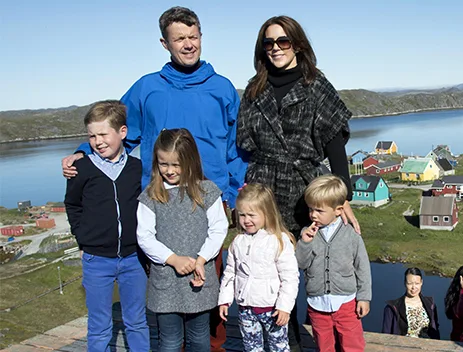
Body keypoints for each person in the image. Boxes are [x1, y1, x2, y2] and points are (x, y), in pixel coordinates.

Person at [61, 7, 243, 350]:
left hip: (209, 202)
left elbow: (235, 148)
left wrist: (233, 195)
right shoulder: (147, 89)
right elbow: (116, 132)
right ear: (165, 43)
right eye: (179, 39)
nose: (188, 45)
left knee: (207, 297)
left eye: (193, 37)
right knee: (165, 297)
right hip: (160, 204)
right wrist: (83, 150)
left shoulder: (223, 88)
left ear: (201, 37)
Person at [236, 15, 359, 350]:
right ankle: (284, 343)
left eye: (283, 41)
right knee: (270, 271)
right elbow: (244, 145)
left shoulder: (315, 84)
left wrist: (341, 197)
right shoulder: (253, 89)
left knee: (313, 271)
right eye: (269, 43)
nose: (275, 48)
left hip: (307, 191)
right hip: (263, 191)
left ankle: (328, 340)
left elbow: (335, 141)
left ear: (298, 45)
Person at [64, 100, 149, 351]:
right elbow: (73, 205)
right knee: (99, 324)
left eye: (103, 134)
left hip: (134, 258)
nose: (98, 141)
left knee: (136, 320)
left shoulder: (137, 168)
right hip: (96, 260)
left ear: (122, 132)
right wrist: (82, 237)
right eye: (91, 136)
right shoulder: (80, 168)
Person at [136, 128, 228, 351]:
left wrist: (201, 258)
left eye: (176, 164)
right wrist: (173, 259)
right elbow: (144, 236)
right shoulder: (150, 196)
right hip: (165, 280)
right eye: (163, 164)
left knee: (199, 338)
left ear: (190, 160)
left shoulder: (207, 191)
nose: (169, 170)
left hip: (199, 278)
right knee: (169, 340)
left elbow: (218, 228)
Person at [218, 183, 299, 352]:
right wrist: (225, 299)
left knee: (279, 346)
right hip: (246, 308)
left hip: (272, 308)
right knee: (251, 347)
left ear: (267, 213)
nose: (246, 220)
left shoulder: (279, 240)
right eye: (242, 215)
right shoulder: (238, 242)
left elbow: (290, 277)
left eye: (251, 215)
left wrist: (284, 306)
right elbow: (230, 273)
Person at [295, 175, 371, 352]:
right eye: (311, 209)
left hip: (346, 304)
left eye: (319, 211)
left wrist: (364, 297)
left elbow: (363, 268)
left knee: (352, 345)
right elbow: (301, 264)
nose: (313, 215)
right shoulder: (308, 233)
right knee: (324, 346)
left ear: (338, 210)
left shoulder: (351, 235)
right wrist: (304, 243)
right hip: (317, 304)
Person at [381, 267, 440, 339]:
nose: (413, 287)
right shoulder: (392, 308)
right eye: (410, 283)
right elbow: (385, 335)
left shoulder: (430, 304)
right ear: (405, 283)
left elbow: (436, 330)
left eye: (417, 283)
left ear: (421, 282)